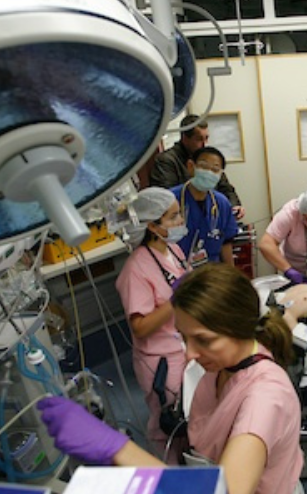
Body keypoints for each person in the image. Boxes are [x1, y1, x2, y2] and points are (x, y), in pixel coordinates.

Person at [38, 264, 303, 494]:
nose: (190, 353)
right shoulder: (225, 366)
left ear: (241, 328)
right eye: (183, 337)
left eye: (204, 340)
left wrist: (116, 448)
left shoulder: (266, 397)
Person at [114, 187, 190, 462]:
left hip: (184, 345)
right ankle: (168, 476)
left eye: (178, 214)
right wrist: (175, 298)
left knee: (188, 415)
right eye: (172, 217)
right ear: (152, 225)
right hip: (160, 359)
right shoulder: (136, 269)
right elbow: (141, 327)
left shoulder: (174, 249)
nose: (180, 221)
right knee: (165, 424)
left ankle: (191, 463)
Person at [150, 114, 245, 219]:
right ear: (185, 138)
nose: (204, 144)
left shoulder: (208, 157)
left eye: (206, 138)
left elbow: (225, 187)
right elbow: (167, 198)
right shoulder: (167, 160)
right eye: (199, 139)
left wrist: (234, 205)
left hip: (212, 215)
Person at [171, 146, 239, 268]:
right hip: (177, 271)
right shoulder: (171, 200)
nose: (209, 172)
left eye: (215, 169)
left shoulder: (221, 203)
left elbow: (226, 243)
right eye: (203, 166)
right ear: (191, 166)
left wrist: (232, 276)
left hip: (211, 273)